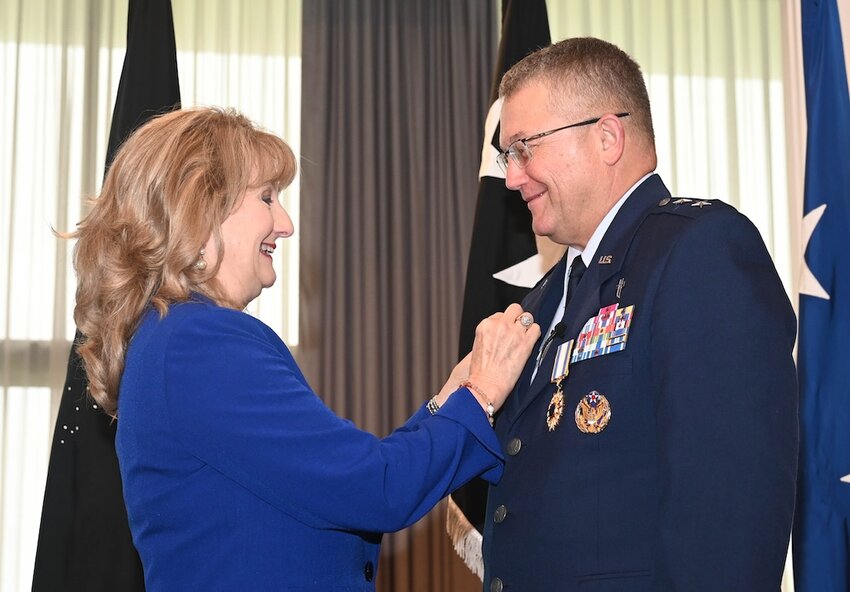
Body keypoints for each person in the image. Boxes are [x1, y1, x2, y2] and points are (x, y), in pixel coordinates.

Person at [67, 106, 541, 590]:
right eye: (267, 198)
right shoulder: (200, 342)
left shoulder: (170, 339)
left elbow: (337, 485)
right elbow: (378, 489)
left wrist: (449, 398)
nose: (286, 223)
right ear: (200, 208)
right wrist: (482, 393)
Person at [482, 37, 798, 591]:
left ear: (607, 137)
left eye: (524, 148)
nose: (511, 178)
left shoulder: (699, 251)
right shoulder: (545, 298)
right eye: (509, 156)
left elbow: (727, 508)